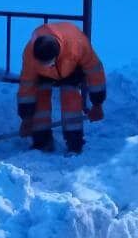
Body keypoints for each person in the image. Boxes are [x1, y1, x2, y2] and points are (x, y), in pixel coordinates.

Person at [17, 23, 105, 153]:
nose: (45, 65)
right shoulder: (30, 55)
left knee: (71, 97)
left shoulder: (78, 45)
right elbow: (27, 85)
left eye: (47, 63)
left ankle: (74, 142)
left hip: (71, 68)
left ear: (56, 56)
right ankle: (42, 141)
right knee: (40, 97)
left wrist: (97, 103)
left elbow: (95, 71)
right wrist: (26, 117)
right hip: (45, 75)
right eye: (41, 63)